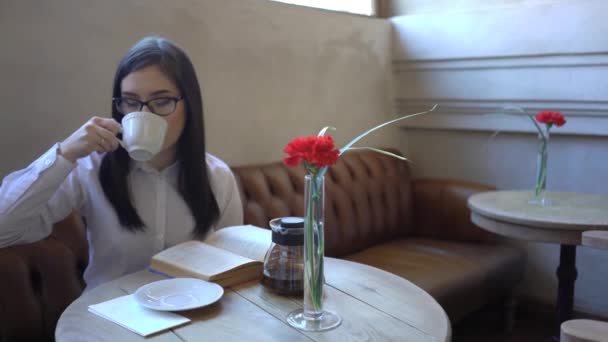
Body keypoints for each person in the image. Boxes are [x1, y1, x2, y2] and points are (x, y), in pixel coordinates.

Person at [0, 36, 243, 290]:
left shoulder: (216, 176)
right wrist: (65, 153)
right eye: (131, 101)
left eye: (162, 101)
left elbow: (231, 265)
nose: (144, 114)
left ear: (189, 104)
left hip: (189, 319)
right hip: (107, 319)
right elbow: (4, 229)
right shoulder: (91, 169)